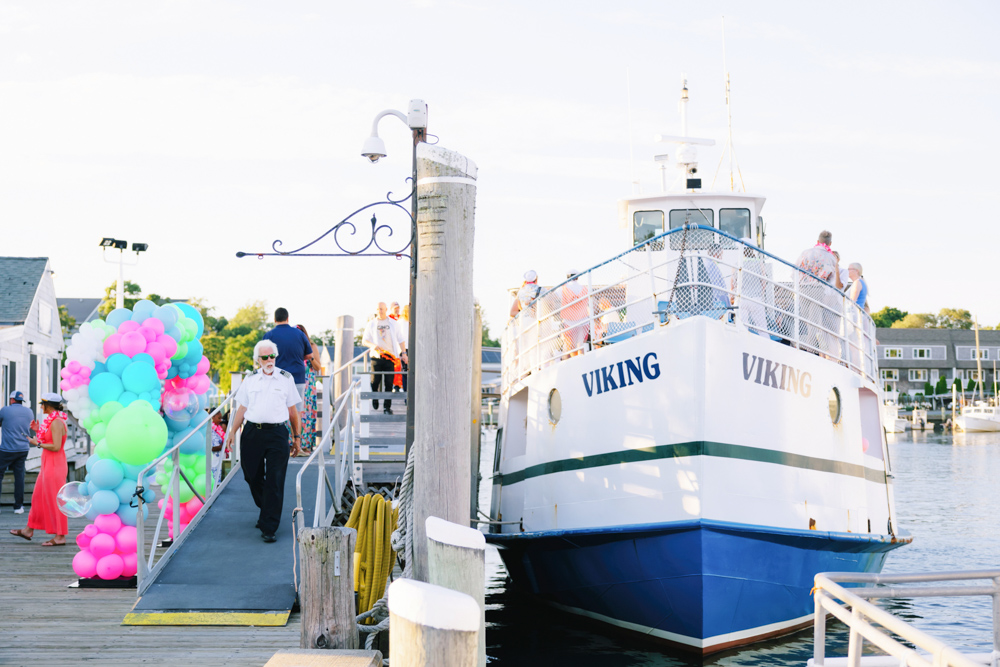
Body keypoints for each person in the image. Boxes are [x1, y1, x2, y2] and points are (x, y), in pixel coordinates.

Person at [225, 340, 302, 543]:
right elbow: (241, 408)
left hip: (277, 434)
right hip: (252, 432)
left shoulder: (286, 378)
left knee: (275, 481)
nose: (269, 360)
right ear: (257, 360)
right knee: (251, 475)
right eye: (265, 357)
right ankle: (267, 508)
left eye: (272, 356)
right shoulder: (250, 379)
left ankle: (269, 526)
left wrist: (297, 437)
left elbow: (293, 411)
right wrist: (232, 431)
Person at [9, 393, 67, 546]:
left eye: (43, 404)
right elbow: (48, 440)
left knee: (56, 500)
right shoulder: (52, 421)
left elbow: (55, 447)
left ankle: (60, 536)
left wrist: (37, 444)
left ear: (48, 405)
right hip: (48, 464)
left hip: (55, 465)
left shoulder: (57, 422)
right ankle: (29, 529)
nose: (41, 407)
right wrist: (37, 431)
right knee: (38, 497)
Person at [796, 231, 841, 355]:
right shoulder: (831, 257)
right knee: (814, 321)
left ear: (817, 241)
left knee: (806, 319)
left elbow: (796, 268)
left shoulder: (806, 252)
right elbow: (832, 279)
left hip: (803, 288)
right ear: (830, 243)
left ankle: (809, 347)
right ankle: (811, 350)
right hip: (818, 289)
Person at [262, 307, 313, 409]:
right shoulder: (300, 334)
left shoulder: (269, 335)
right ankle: (296, 426)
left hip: (276, 378)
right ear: (287, 318)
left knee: (276, 410)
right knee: (297, 412)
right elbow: (310, 355)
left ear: (275, 319)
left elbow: (263, 357)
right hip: (297, 377)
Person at [361, 302, 407, 414]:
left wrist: (404, 353)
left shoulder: (393, 323)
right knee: (375, 381)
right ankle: (375, 398)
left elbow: (401, 339)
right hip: (376, 357)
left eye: (381, 309)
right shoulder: (371, 324)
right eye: (378, 309)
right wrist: (373, 346)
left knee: (389, 383)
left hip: (390, 357)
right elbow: (364, 340)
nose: (380, 311)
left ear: (386, 309)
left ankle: (387, 407)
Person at [0, 391, 34, 515]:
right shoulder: (29, 412)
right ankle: (18, 507)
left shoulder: (5, 410)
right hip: (23, 449)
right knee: (19, 477)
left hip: (7, 450)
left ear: (11, 400)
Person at [296, 324, 322, 453]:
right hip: (294, 384)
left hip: (308, 386)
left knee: (306, 414)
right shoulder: (292, 348)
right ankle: (293, 444)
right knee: (293, 413)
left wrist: (310, 357)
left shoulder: (312, 347)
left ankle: (305, 445)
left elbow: (318, 367)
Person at [560, 271, 589, 357]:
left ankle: (575, 361)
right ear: (577, 277)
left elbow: (554, 297)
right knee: (580, 345)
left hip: (569, 321)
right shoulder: (585, 288)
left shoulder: (563, 288)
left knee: (571, 345)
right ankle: (581, 361)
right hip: (583, 320)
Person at [387, 303, 404, 393]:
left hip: (401, 345)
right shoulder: (388, 319)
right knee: (395, 367)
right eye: (395, 308)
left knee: (401, 366)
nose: (397, 310)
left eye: (398, 308)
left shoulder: (402, 318)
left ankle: (400, 385)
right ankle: (394, 385)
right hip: (392, 347)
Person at [210, 411, 226, 486]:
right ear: (212, 417)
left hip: (218, 460)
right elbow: (210, 447)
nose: (220, 420)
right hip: (212, 460)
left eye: (221, 418)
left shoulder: (218, 428)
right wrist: (223, 446)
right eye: (219, 418)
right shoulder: (209, 429)